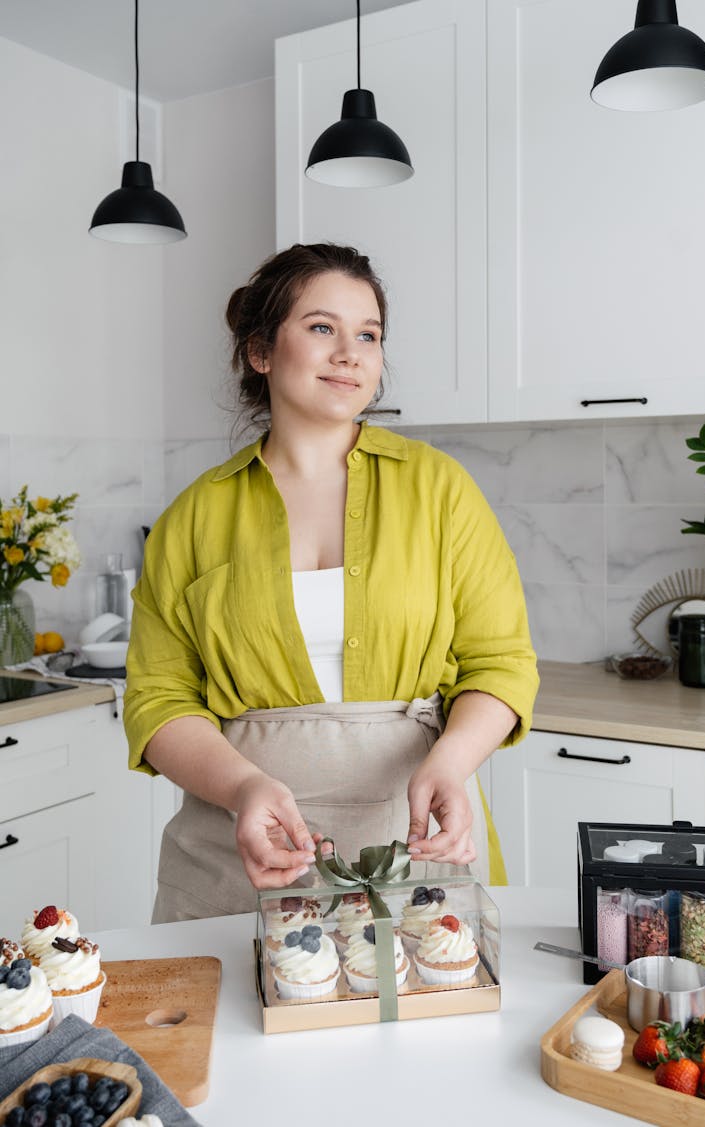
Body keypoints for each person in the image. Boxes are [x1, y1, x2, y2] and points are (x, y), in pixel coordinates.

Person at [123, 243, 539, 923]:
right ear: (261, 351)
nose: (350, 352)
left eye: (368, 335)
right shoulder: (191, 519)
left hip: (410, 841)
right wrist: (245, 786)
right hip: (237, 853)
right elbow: (158, 698)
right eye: (322, 328)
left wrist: (452, 763)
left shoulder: (441, 491)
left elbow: (502, 662)